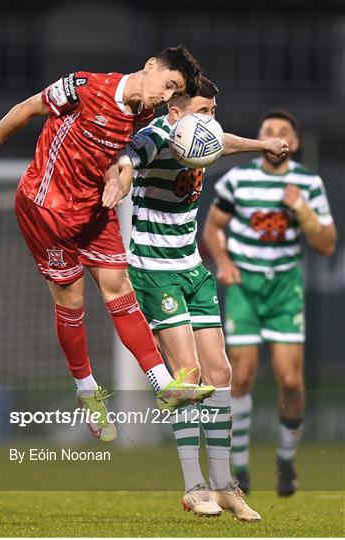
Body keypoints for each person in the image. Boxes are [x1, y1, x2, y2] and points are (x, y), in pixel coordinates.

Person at [0, 45, 216, 443]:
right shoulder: (85, 87)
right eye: (168, 85)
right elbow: (29, 106)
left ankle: (164, 385)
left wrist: (116, 179)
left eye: (174, 93)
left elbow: (117, 157)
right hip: (46, 206)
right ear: (151, 66)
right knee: (72, 302)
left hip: (92, 208)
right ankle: (88, 393)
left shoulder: (144, 113)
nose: (164, 96)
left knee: (120, 290)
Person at [112, 79, 289, 520]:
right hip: (155, 271)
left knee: (219, 371)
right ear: (175, 113)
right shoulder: (156, 135)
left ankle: (226, 486)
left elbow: (224, 141)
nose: (211, 118)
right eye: (204, 110)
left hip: (192, 269)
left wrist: (262, 143)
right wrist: (123, 175)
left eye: (213, 110)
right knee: (188, 376)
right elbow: (130, 156)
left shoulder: (204, 136)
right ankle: (194, 487)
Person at [203, 109, 337, 496]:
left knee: (291, 379)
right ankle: (240, 469)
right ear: (261, 139)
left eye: (283, 132)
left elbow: (326, 245)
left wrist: (303, 211)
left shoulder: (307, 183)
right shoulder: (237, 179)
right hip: (245, 285)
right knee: (240, 376)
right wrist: (225, 263)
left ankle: (285, 458)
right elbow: (213, 229)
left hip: (284, 287)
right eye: (268, 131)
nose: (276, 137)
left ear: (293, 143)